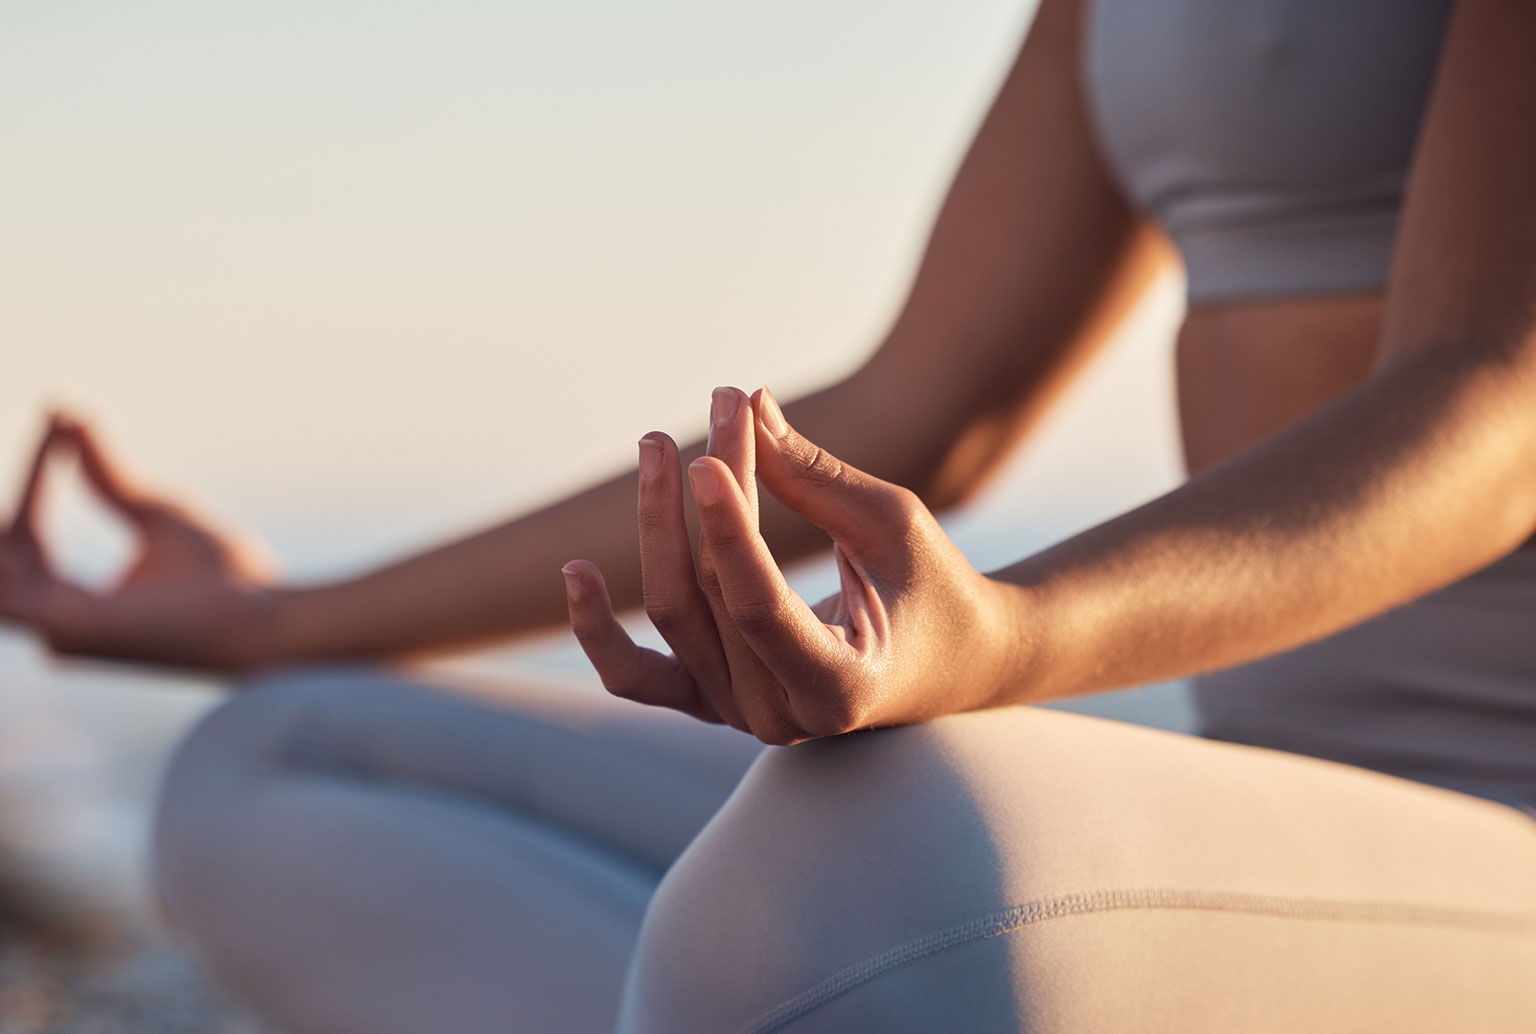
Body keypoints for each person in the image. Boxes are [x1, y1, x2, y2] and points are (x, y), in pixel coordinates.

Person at [3, 0, 1536, 1029]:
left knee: (866, 860)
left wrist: (1001, 634)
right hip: (1290, 825)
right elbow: (916, 405)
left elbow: (1493, 406)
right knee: (276, 757)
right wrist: (266, 622)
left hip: (1503, 855)